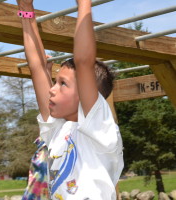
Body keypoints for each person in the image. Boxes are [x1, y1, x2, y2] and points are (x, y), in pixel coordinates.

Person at [17, 0, 124, 199]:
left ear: (85, 92)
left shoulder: (98, 129)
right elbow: (37, 68)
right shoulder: (58, 128)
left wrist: (84, 4)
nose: (52, 90)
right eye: (55, 82)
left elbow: (83, 61)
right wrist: (26, 10)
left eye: (62, 83)